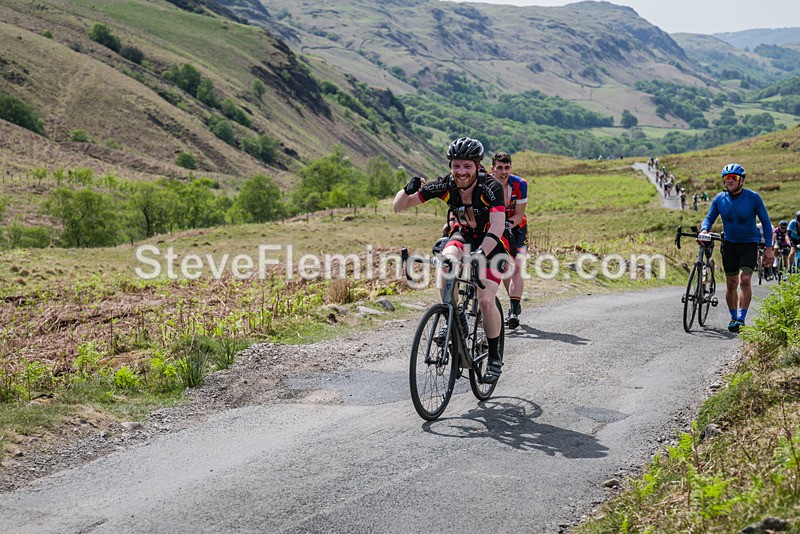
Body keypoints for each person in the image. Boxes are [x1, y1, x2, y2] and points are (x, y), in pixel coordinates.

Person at [393, 137, 512, 383]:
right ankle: (455, 317)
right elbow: (399, 206)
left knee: (485, 299)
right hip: (463, 236)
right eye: (456, 166)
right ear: (450, 166)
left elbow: (498, 225)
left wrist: (480, 253)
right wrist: (407, 189)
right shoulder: (445, 185)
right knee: (445, 264)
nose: (461, 172)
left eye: (467, 166)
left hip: (493, 243)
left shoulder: (491, 187)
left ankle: (494, 356)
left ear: (477, 166)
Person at [699, 163, 773, 333]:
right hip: (729, 245)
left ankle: (741, 318)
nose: (730, 181)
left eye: (734, 178)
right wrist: (704, 229)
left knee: (745, 280)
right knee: (731, 283)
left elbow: (767, 223)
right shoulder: (719, 199)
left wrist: (769, 247)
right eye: (727, 178)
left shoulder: (753, 198)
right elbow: (709, 218)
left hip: (749, 244)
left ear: (742, 180)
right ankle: (733, 317)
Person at [490, 151, 528, 329]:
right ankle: (514, 301)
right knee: (504, 266)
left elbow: (519, 214)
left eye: (507, 168)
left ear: (511, 168)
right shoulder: (486, 183)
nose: (503, 172)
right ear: (493, 169)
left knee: (519, 265)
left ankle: (513, 311)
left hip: (517, 228)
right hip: (495, 228)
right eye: (499, 168)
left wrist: (506, 225)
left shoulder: (520, 184)